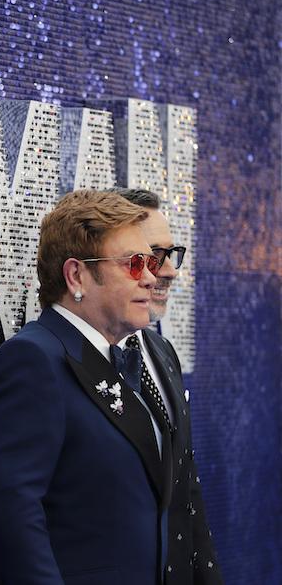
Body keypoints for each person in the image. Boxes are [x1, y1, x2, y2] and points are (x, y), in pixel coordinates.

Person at [0, 189, 173, 584]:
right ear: (76, 276)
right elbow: (13, 518)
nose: (152, 276)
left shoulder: (116, 356)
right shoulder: (31, 362)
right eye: (135, 264)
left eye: (150, 263)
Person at [112, 188, 222, 585]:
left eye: (170, 254)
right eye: (153, 255)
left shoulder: (161, 352)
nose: (170, 271)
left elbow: (185, 493)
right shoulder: (55, 360)